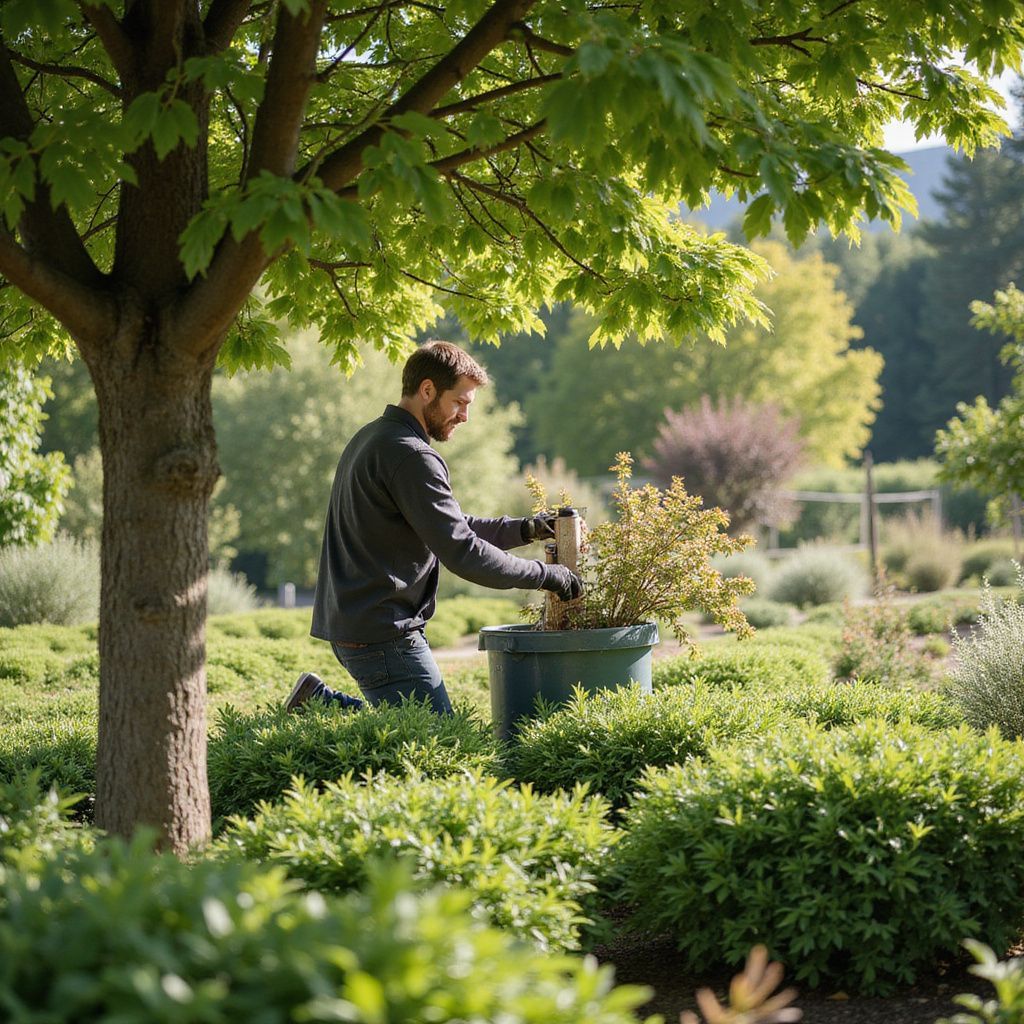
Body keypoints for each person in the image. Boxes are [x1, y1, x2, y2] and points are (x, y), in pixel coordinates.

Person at [285, 340, 583, 715]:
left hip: (358, 624)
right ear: (427, 390)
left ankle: (318, 702)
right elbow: (463, 552)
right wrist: (547, 576)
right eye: (459, 402)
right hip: (384, 633)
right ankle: (319, 704)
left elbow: (448, 527)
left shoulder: (373, 438)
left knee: (411, 727)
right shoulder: (411, 455)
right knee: (438, 737)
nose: (465, 416)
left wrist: (526, 529)